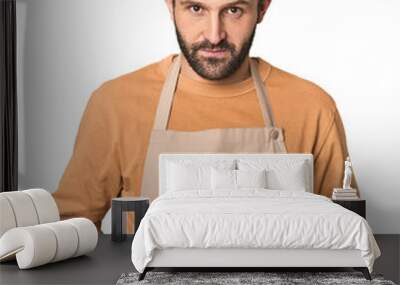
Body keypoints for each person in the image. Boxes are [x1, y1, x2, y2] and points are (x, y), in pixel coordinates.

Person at [52, 0, 358, 230]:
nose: (214, 36)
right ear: (170, 6)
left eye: (234, 10)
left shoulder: (312, 106)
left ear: (262, 8)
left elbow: (343, 230)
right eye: (196, 8)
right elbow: (68, 228)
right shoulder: (115, 104)